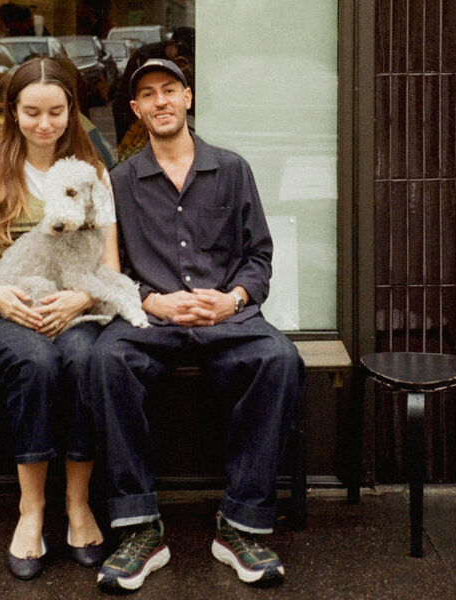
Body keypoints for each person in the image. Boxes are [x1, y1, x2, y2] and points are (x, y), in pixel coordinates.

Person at [91, 59, 305, 591]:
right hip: (151, 321)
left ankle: (240, 526)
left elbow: (259, 257)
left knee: (278, 360)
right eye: (147, 94)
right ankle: (140, 529)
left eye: (170, 90)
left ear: (187, 98)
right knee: (104, 360)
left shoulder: (231, 169)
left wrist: (232, 301)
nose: (160, 101)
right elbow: (107, 269)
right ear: (137, 110)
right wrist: (153, 302)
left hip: (225, 321)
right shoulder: (120, 180)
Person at [0, 56, 114, 580]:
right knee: (37, 362)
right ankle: (32, 508)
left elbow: (109, 260)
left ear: (71, 111)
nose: (45, 123)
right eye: (32, 111)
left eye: (56, 111)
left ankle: (78, 504)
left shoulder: (91, 173)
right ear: (13, 112)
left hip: (69, 301)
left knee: (84, 355)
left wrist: (82, 300)